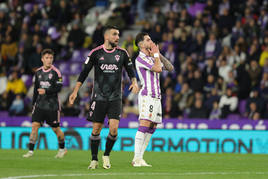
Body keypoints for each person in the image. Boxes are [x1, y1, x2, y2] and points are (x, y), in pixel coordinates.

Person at [69, 26, 139, 169]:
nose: (118, 37)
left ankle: (106, 155)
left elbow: (130, 70)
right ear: (106, 36)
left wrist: (134, 82)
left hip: (115, 97)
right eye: (114, 34)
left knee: (114, 129)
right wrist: (75, 91)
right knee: (96, 129)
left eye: (119, 34)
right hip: (99, 97)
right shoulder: (95, 53)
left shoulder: (123, 53)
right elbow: (83, 73)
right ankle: (94, 159)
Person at [132, 32, 174, 167]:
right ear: (140, 44)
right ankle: (136, 159)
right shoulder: (140, 58)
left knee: (152, 128)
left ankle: (140, 158)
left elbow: (170, 68)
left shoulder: (152, 57)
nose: (151, 41)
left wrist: (158, 54)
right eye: (148, 40)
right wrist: (155, 55)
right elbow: (158, 69)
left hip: (157, 97)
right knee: (144, 125)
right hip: (147, 96)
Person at [23, 49, 66, 158]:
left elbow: (59, 88)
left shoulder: (56, 72)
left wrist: (46, 91)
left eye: (51, 58)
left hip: (52, 106)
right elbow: (35, 89)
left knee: (56, 129)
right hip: (39, 105)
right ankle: (30, 151)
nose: (49, 60)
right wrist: (33, 104)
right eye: (47, 58)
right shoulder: (38, 72)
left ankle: (62, 149)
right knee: (34, 126)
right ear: (42, 59)